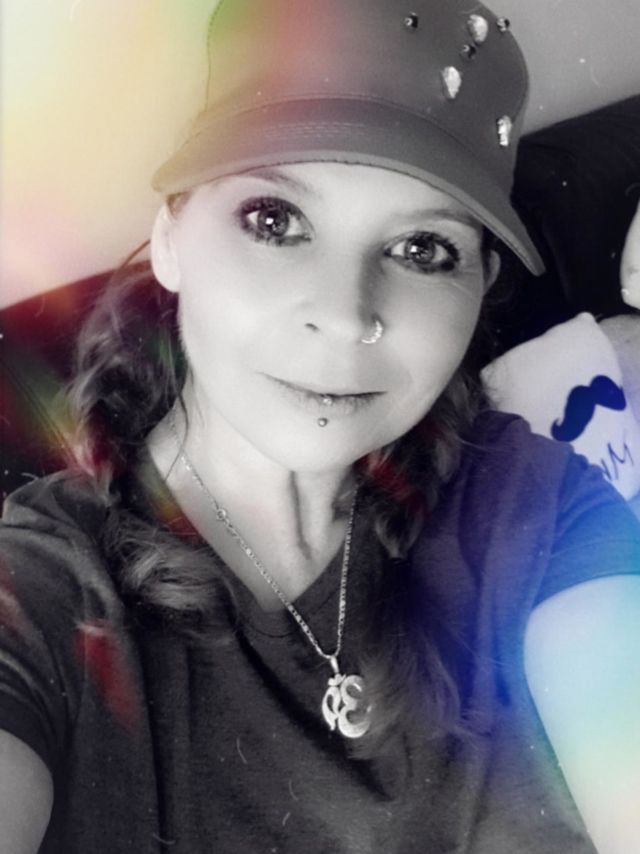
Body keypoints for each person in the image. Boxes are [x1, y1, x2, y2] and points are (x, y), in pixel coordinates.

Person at [1, 1, 639, 851]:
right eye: (275, 220)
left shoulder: (538, 506)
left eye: (422, 249)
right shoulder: (40, 591)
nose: (345, 316)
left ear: (481, 284)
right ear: (171, 240)